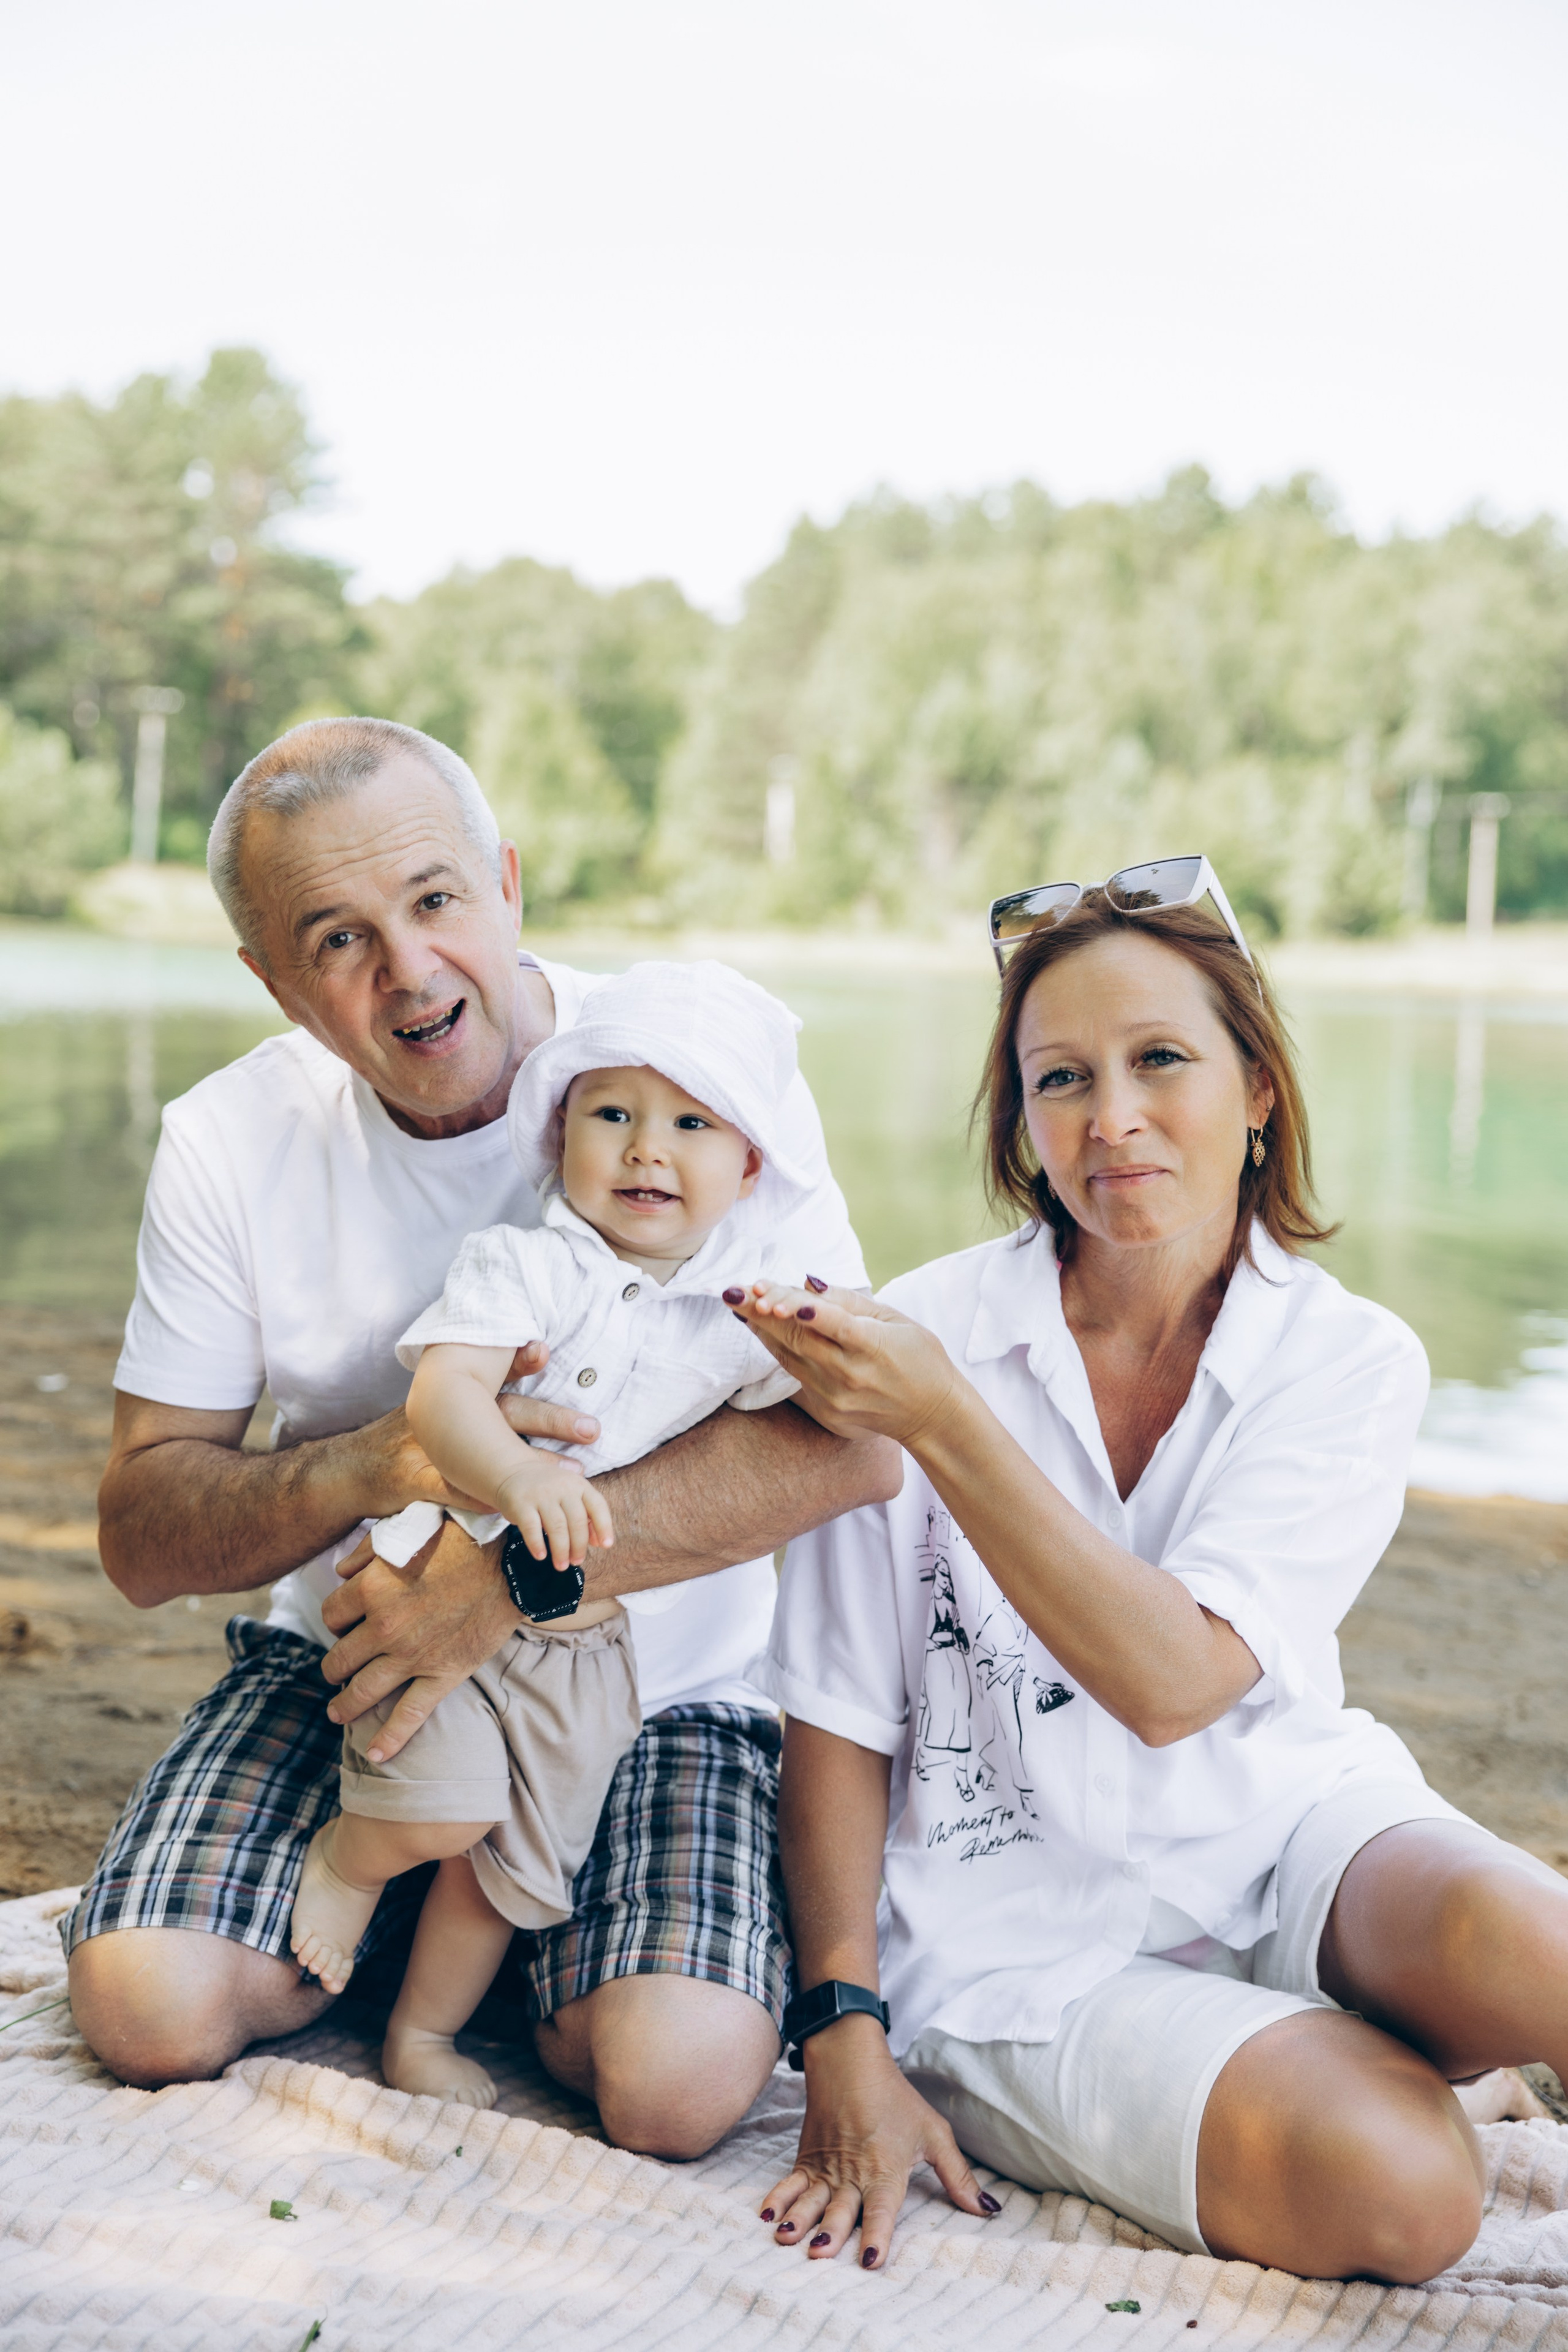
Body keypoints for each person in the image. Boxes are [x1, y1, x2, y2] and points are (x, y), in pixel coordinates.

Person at [67, 717, 900, 2158]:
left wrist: (510, 1582)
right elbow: (142, 1533)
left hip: (661, 1684)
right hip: (358, 1655)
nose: (408, 970)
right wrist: (394, 1460)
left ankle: (479, 1936)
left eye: (437, 900)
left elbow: (855, 1443)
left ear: (506, 882)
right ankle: (438, 1903)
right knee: (151, 2003)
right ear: (270, 978)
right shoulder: (228, 1139)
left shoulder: (689, 1073)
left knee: (678, 2080)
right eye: (337, 938)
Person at [734, 867, 1568, 2282]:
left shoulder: (1345, 1357)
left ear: (1256, 1090)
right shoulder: (916, 1340)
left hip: (1280, 1827)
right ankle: (1356, 2069)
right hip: (1010, 1940)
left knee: (1528, 1939)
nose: (1109, 1116)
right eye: (1059, 1078)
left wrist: (939, 1422)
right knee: (1405, 2192)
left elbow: (1175, 1683)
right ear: (1021, 1122)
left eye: (1158, 1060)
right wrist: (842, 2038)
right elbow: (833, 1722)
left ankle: (1366, 2028)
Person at [289, 960, 818, 2112]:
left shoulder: (744, 1313)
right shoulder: (526, 1263)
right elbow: (444, 1399)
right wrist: (518, 1471)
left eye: (691, 1124)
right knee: (445, 1805)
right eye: (611, 1115)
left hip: (591, 1650)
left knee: (514, 1869)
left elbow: (824, 1431)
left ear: (748, 1168)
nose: (645, 1150)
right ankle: (347, 1860)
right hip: (438, 1584)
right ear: (560, 1134)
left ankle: (423, 2035)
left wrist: (839, 1347)